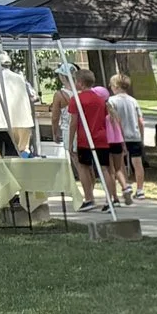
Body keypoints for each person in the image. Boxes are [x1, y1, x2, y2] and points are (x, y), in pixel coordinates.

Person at [54, 67, 122, 210]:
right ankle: (110, 200)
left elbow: (73, 122)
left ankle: (89, 198)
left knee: (84, 167)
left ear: (80, 83)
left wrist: (72, 140)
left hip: (85, 139)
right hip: (101, 138)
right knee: (104, 169)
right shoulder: (100, 99)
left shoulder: (76, 99)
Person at [0, 58, 34, 156]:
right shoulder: (21, 78)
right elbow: (33, 97)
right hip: (23, 121)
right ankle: (23, 169)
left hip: (1, 123)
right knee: (23, 150)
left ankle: (6, 171)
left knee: (4, 153)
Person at [106, 74, 147, 203]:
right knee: (137, 163)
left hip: (119, 136)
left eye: (111, 86)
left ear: (116, 87)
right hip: (134, 135)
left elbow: (112, 119)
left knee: (119, 163)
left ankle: (126, 185)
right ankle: (140, 190)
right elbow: (140, 120)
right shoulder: (133, 100)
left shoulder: (111, 101)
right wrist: (141, 136)